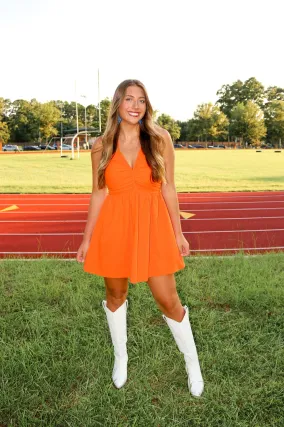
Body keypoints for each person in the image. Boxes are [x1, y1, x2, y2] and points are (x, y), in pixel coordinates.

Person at [76, 79, 204, 397]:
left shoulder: (160, 138)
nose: (135, 106)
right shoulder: (101, 145)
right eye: (129, 99)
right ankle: (121, 358)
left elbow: (168, 187)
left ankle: (193, 366)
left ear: (147, 106)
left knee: (168, 299)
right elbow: (99, 193)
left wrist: (178, 233)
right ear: (117, 104)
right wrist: (87, 239)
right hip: (114, 228)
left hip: (154, 227)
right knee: (115, 295)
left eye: (142, 100)